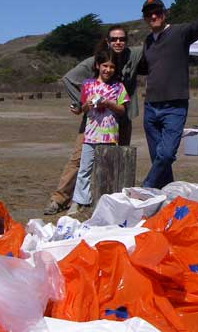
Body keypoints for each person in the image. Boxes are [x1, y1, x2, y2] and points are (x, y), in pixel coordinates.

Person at [44, 25, 142, 215]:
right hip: (93, 122)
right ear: (107, 41)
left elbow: (152, 49)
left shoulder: (133, 56)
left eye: (122, 39)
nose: (118, 42)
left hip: (120, 120)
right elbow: (69, 78)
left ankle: (111, 201)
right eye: (114, 39)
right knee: (79, 160)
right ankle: (61, 198)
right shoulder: (94, 61)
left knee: (117, 161)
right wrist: (81, 105)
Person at [138, 0, 198, 189]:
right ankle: (168, 194)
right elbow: (142, 67)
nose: (154, 16)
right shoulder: (147, 42)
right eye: (149, 14)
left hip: (174, 106)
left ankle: (146, 187)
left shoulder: (179, 32)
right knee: (158, 158)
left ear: (164, 13)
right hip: (151, 106)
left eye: (157, 12)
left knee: (167, 154)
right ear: (145, 18)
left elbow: (197, 28)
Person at [68, 49, 129, 215]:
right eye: (105, 65)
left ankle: (105, 202)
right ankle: (79, 202)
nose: (108, 70)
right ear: (97, 65)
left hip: (110, 135)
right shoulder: (88, 85)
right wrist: (86, 105)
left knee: (108, 171)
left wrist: (108, 103)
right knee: (84, 170)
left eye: (111, 66)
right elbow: (83, 109)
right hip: (91, 135)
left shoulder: (118, 87)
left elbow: (123, 110)